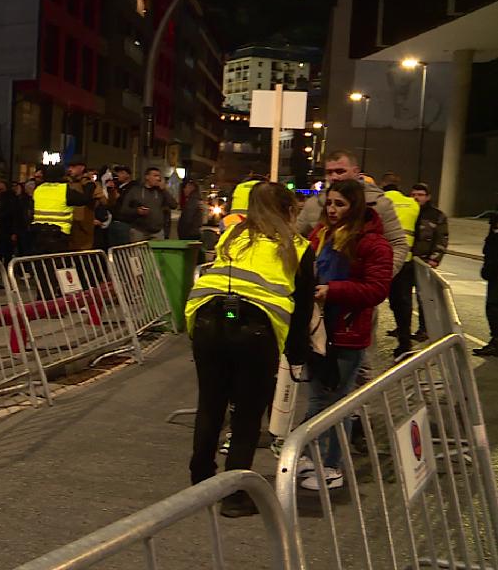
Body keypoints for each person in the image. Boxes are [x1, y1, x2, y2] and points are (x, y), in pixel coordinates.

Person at [184, 182, 315, 517]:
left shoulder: (232, 235)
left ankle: (200, 482)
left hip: (209, 322)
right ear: (289, 210)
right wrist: (297, 355)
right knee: (245, 416)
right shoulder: (297, 246)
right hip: (255, 333)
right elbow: (302, 309)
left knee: (210, 405)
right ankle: (234, 496)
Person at [297, 180, 392, 491]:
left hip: (347, 332)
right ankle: (310, 455)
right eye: (330, 203)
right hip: (318, 329)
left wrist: (333, 290)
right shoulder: (321, 235)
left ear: (355, 206)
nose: (333, 209)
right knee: (316, 397)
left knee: (338, 401)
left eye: (340, 204)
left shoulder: (372, 243)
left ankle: (332, 464)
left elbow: (377, 289)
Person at [382, 182, 420, 359]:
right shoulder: (412, 203)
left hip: (382, 259)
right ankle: (405, 342)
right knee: (403, 302)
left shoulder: (381, 201)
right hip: (405, 261)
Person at [409, 183, 447, 342]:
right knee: (402, 298)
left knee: (424, 298)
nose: (417, 197)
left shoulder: (436, 215)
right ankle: (403, 327)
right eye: (414, 194)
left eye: (420, 194)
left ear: (428, 197)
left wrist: (435, 259)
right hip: (407, 261)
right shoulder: (409, 212)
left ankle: (424, 329)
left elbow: (442, 238)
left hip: (424, 262)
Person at [29, 163, 93, 255]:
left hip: (38, 233)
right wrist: (89, 185)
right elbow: (84, 199)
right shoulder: (64, 190)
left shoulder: (38, 189)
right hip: (58, 235)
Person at [113, 167, 178, 242]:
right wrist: (137, 211)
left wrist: (164, 190)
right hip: (139, 231)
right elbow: (123, 210)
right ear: (147, 177)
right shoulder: (135, 190)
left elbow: (174, 205)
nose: (158, 178)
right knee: (137, 253)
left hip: (157, 232)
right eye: (155, 176)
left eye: (159, 176)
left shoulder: (161, 192)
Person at [477, 210, 498, 356]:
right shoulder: (495, 220)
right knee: (492, 307)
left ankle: (496, 342)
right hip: (493, 273)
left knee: (493, 307)